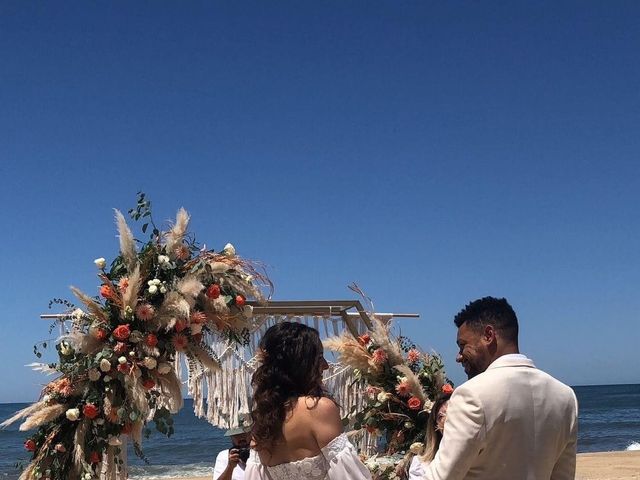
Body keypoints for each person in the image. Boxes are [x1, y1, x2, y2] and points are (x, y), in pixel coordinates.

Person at [422, 296, 578, 480]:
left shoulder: (472, 394)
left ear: (488, 335)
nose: (459, 356)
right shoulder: (565, 396)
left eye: (463, 345)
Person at [244, 321, 372, 480]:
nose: (325, 366)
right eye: (319, 358)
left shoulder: (263, 421)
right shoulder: (318, 408)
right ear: (300, 364)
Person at [408, 393, 451, 479]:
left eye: (451, 412)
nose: (446, 419)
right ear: (436, 426)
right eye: (440, 416)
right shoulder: (421, 464)